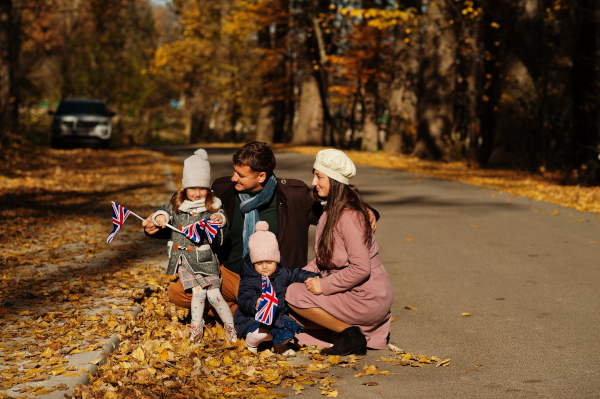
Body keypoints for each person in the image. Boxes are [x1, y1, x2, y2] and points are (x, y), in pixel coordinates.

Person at [142, 142, 378, 330]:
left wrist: (365, 209)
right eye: (235, 172)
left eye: (241, 175)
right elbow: (190, 220)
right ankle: (252, 317)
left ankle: (252, 316)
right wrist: (157, 227)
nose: (234, 178)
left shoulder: (294, 195)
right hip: (230, 274)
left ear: (261, 176)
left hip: (272, 280)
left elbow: (333, 208)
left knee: (294, 305)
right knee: (178, 291)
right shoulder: (223, 190)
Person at [286, 149, 393, 356]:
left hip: (366, 296)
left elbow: (361, 268)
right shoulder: (330, 210)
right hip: (350, 291)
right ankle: (347, 334)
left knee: (293, 294)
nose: (314, 182)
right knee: (295, 332)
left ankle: (351, 335)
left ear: (334, 180)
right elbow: (321, 262)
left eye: (319, 176)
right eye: (314, 175)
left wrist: (323, 285)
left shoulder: (350, 216)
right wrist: (291, 276)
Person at [149, 149, 236, 343]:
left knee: (214, 295)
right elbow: (162, 211)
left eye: (202, 188)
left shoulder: (212, 207)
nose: (197, 193)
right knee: (197, 293)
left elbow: (221, 221)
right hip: (185, 261)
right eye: (192, 188)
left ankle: (230, 326)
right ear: (184, 189)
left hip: (205, 260)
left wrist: (219, 219)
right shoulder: (177, 205)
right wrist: (159, 217)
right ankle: (196, 328)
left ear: (208, 189)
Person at [234, 221, 321, 355]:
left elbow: (297, 273)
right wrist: (254, 303)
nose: (264, 267)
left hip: (277, 316)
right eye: (259, 263)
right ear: (253, 263)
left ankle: (279, 346)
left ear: (276, 260)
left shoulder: (282, 273)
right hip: (252, 318)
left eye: (269, 262)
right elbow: (243, 299)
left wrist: (314, 276)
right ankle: (251, 342)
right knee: (262, 333)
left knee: (288, 329)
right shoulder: (249, 278)